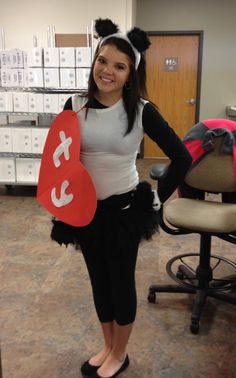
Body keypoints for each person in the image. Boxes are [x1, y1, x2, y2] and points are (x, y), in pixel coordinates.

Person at [51, 18, 192, 378]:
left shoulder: (142, 111)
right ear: (94, 60)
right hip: (84, 212)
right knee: (98, 281)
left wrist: (157, 198)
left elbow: (182, 156)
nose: (108, 71)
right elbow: (61, 158)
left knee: (120, 282)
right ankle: (108, 346)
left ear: (130, 73)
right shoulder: (74, 103)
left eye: (119, 66)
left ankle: (121, 353)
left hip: (125, 211)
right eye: (103, 61)